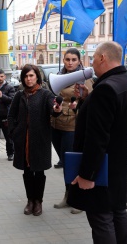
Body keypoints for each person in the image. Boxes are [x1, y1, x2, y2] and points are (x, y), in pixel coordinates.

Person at [66, 41, 127, 244]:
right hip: (118, 162)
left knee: (101, 217)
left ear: (102, 58)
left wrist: (87, 175)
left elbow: (97, 138)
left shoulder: (105, 89)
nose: (92, 64)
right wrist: (86, 100)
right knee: (118, 211)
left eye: (93, 58)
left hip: (101, 166)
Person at [7, 64, 62, 216]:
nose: (28, 79)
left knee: (39, 172)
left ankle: (38, 201)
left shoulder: (45, 94)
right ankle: (30, 200)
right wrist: (13, 132)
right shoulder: (19, 95)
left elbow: (53, 109)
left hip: (40, 140)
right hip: (23, 140)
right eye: (26, 76)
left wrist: (57, 109)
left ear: (37, 76)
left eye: (31, 75)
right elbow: (11, 115)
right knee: (27, 172)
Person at [51, 48, 93, 215]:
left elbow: (90, 100)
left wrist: (81, 101)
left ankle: (79, 199)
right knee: (65, 162)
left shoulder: (84, 78)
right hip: (56, 123)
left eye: (73, 59)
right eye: (67, 59)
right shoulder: (58, 75)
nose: (70, 62)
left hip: (72, 126)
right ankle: (69, 195)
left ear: (79, 61)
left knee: (72, 163)